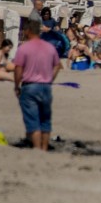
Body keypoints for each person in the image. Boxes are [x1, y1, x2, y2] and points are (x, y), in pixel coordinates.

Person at [13, 16, 60, 151]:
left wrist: (16, 86)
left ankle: (37, 148)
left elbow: (18, 69)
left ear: (28, 31)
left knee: (33, 121)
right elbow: (57, 65)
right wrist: (50, 78)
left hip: (30, 86)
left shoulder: (24, 48)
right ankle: (44, 148)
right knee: (45, 121)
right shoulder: (49, 47)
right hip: (46, 87)